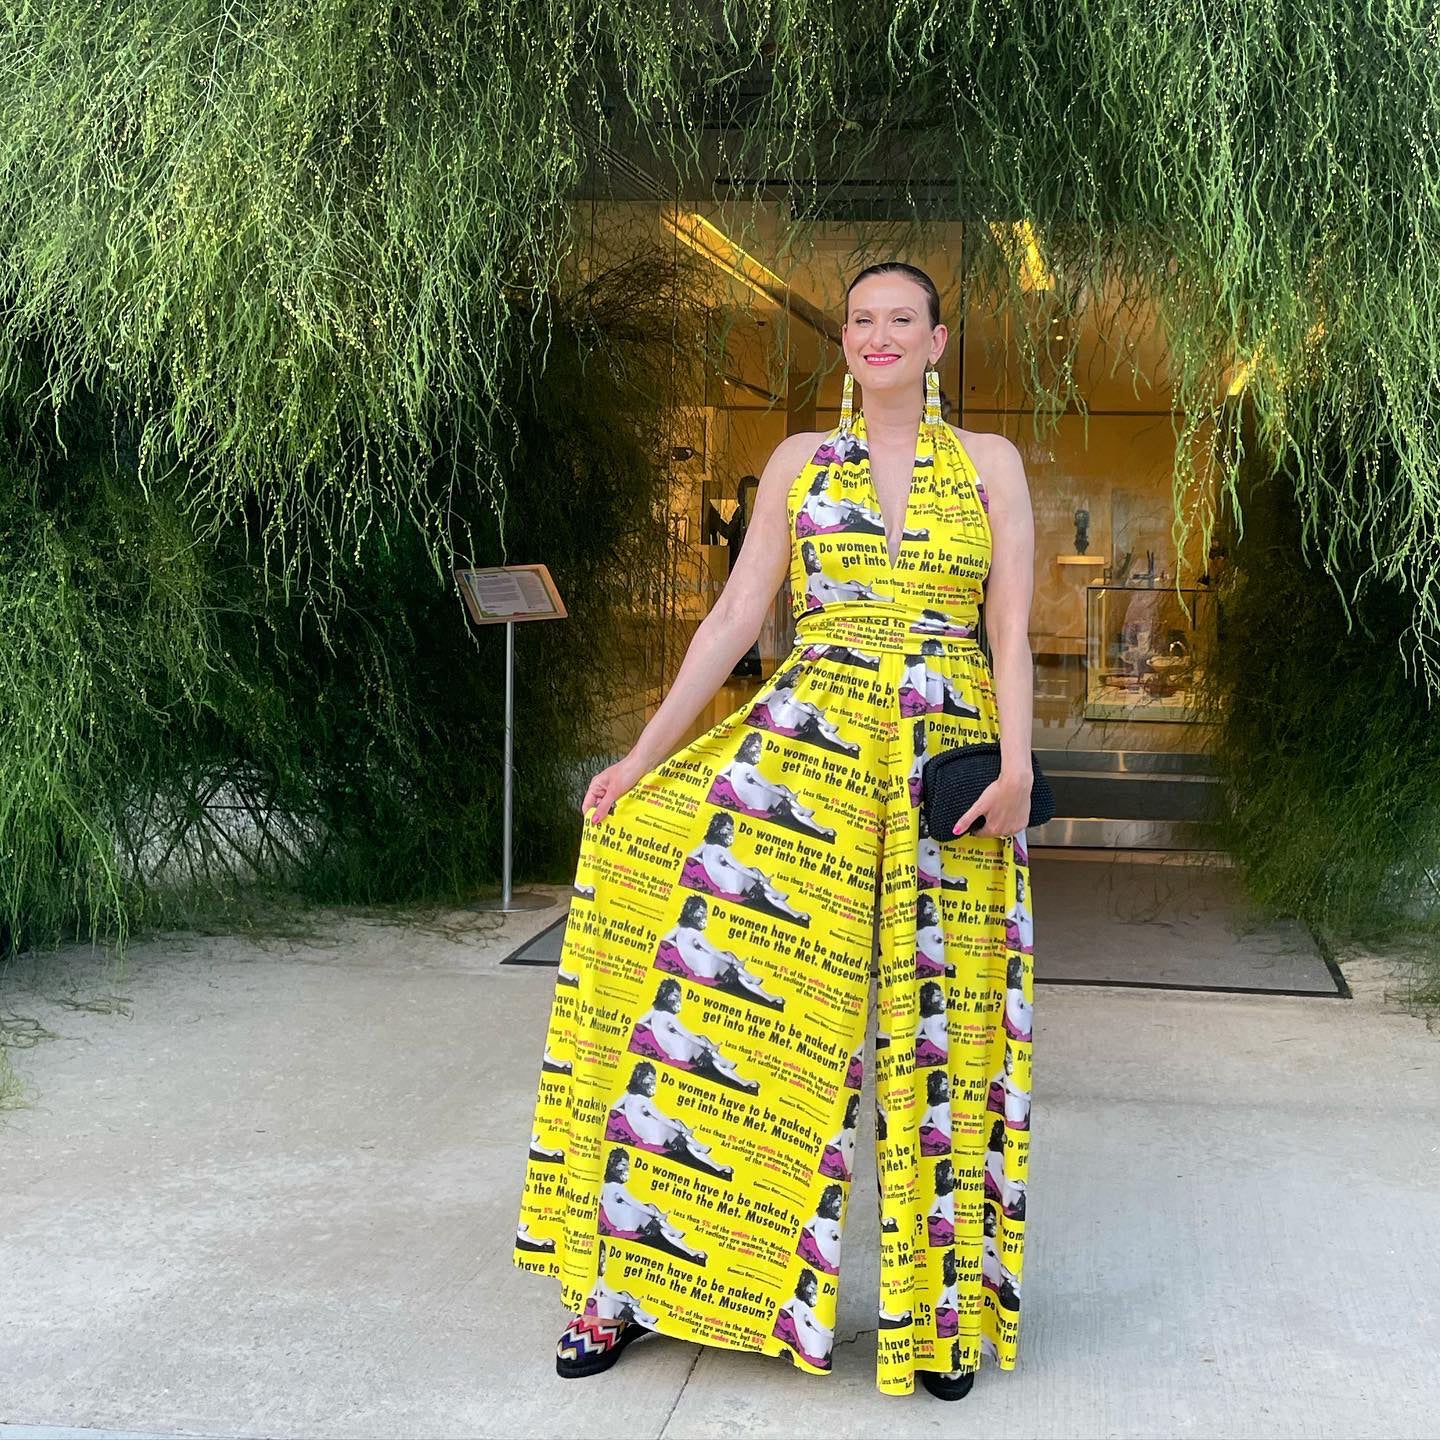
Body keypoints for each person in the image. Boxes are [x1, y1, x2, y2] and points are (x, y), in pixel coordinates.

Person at [513, 262, 1037, 1401]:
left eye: (904, 319)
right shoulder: (801, 465)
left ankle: (937, 1314)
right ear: (843, 342)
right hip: (806, 747)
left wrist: (1021, 766)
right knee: (705, 1012)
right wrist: (642, 755)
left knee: (940, 1032)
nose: (880, 334)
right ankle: (626, 1283)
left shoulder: (991, 465)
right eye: (861, 319)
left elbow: (1010, 632)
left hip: (943, 767)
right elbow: (739, 614)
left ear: (940, 341)